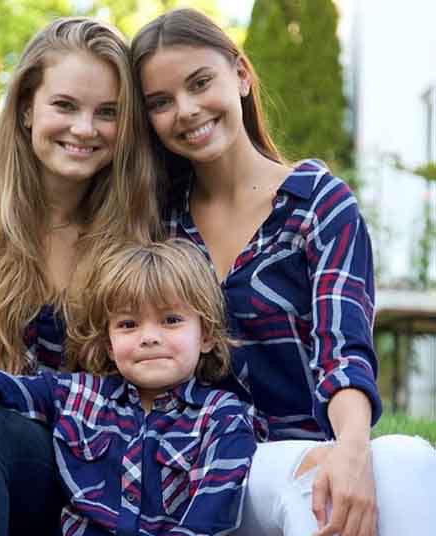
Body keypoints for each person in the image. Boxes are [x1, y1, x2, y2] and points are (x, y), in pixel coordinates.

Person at [130, 8, 436, 536]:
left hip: (312, 450)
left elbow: (344, 350)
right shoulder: (157, 224)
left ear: (242, 75)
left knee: (406, 460)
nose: (186, 110)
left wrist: (353, 454)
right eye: (161, 102)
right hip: (200, 468)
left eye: (201, 83)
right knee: (310, 486)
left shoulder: (319, 202)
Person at [0, 16, 161, 536]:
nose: (84, 129)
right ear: (25, 108)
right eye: (65, 106)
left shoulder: (139, 236)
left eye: (107, 113)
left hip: (75, 476)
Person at [0, 239, 257, 536]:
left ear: (207, 335)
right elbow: (0, 385)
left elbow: (210, 515)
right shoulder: (77, 395)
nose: (149, 337)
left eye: (171, 320)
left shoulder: (222, 418)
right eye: (129, 324)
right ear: (108, 343)